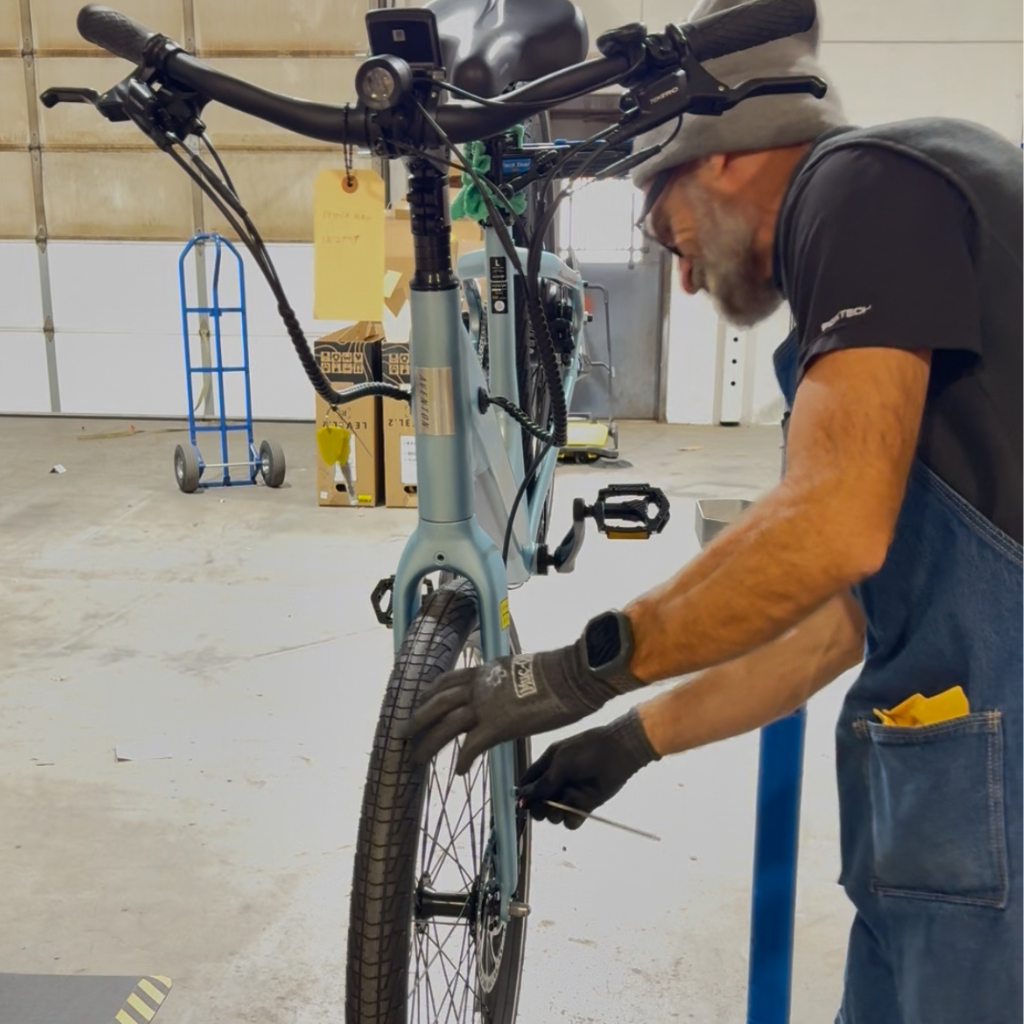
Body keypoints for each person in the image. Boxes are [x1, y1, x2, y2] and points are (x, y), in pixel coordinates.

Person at [401, 1, 1023, 1020]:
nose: (681, 276)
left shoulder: (859, 189)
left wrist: (582, 667)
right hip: (949, 806)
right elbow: (833, 618)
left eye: (661, 222)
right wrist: (632, 737)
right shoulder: (897, 225)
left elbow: (831, 522)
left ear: (726, 154)